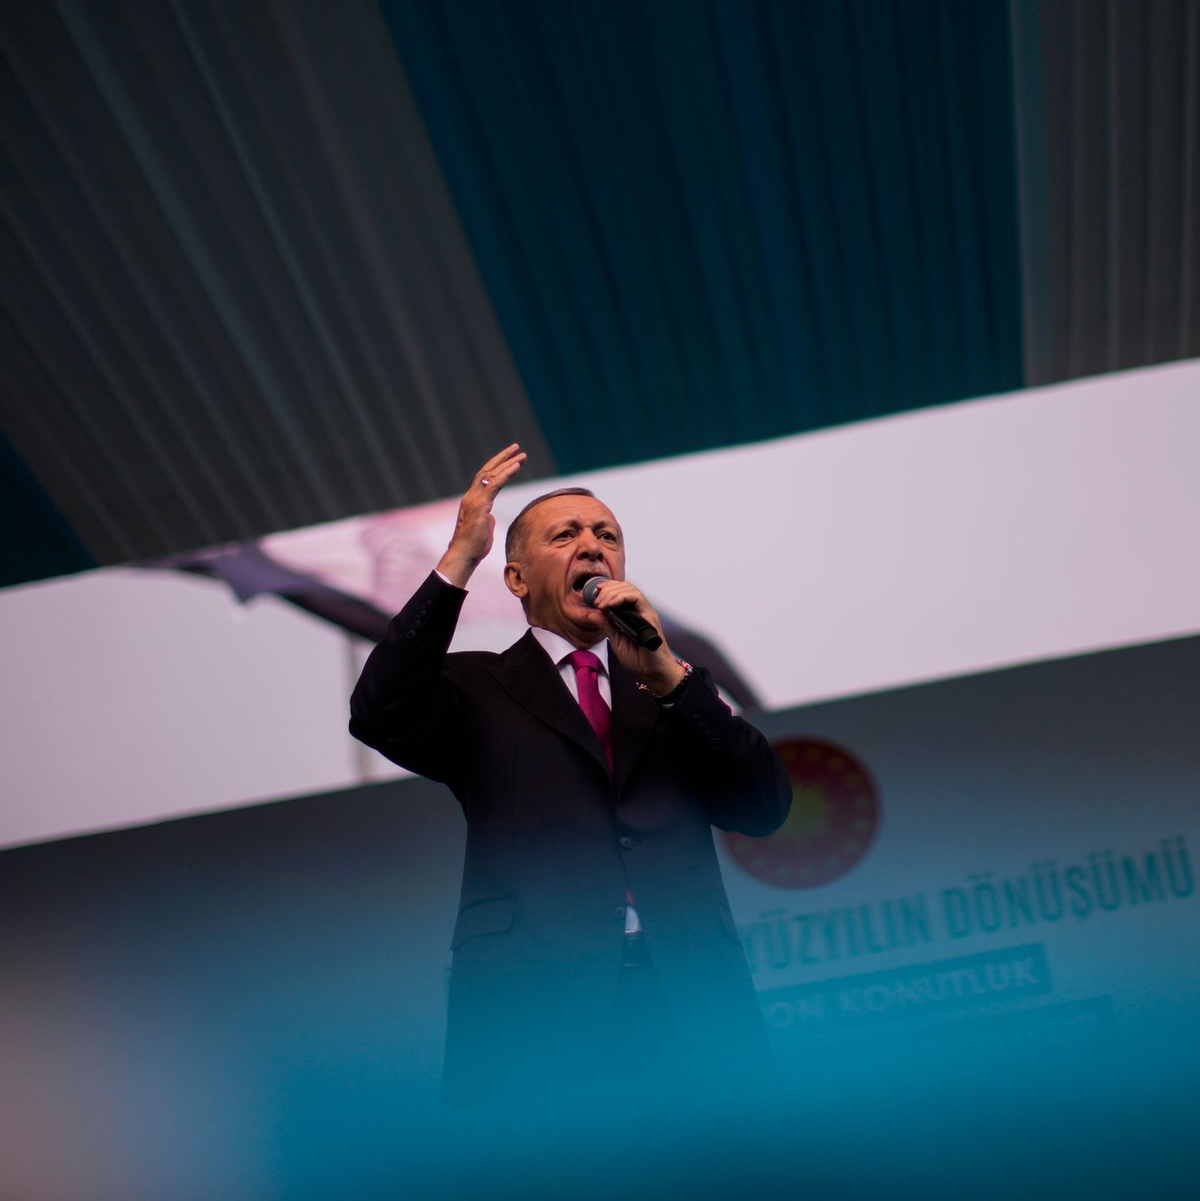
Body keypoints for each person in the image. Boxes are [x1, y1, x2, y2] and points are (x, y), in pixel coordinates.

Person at [349, 444, 791, 1106]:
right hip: (534, 1008)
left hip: (690, 1002)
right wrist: (458, 559)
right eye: (566, 534)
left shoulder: (670, 689)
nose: (592, 545)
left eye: (606, 535)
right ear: (518, 579)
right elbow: (379, 711)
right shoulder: (478, 686)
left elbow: (763, 805)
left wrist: (670, 674)